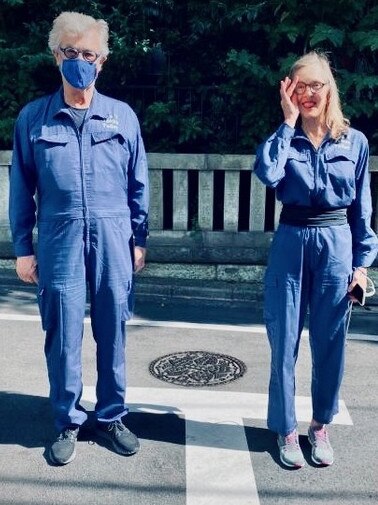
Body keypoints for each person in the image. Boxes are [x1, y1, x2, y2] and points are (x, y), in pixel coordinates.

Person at [9, 11, 149, 465]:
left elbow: (138, 184)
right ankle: (68, 419)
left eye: (89, 53)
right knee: (63, 333)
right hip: (58, 237)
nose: (80, 60)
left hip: (113, 236)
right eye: (71, 52)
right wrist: (23, 249)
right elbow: (20, 189)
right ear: (56, 56)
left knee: (113, 332)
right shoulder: (34, 118)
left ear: (102, 61)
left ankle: (110, 417)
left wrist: (139, 239)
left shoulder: (122, 117)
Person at [253, 51, 378, 468]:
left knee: (330, 343)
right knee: (283, 340)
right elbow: (269, 174)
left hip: (336, 244)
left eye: (316, 85)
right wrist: (288, 123)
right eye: (299, 86)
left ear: (330, 89)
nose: (308, 94)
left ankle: (319, 425)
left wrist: (361, 267)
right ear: (289, 89)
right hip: (291, 241)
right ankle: (286, 429)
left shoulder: (354, 141)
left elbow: (362, 211)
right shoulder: (283, 137)